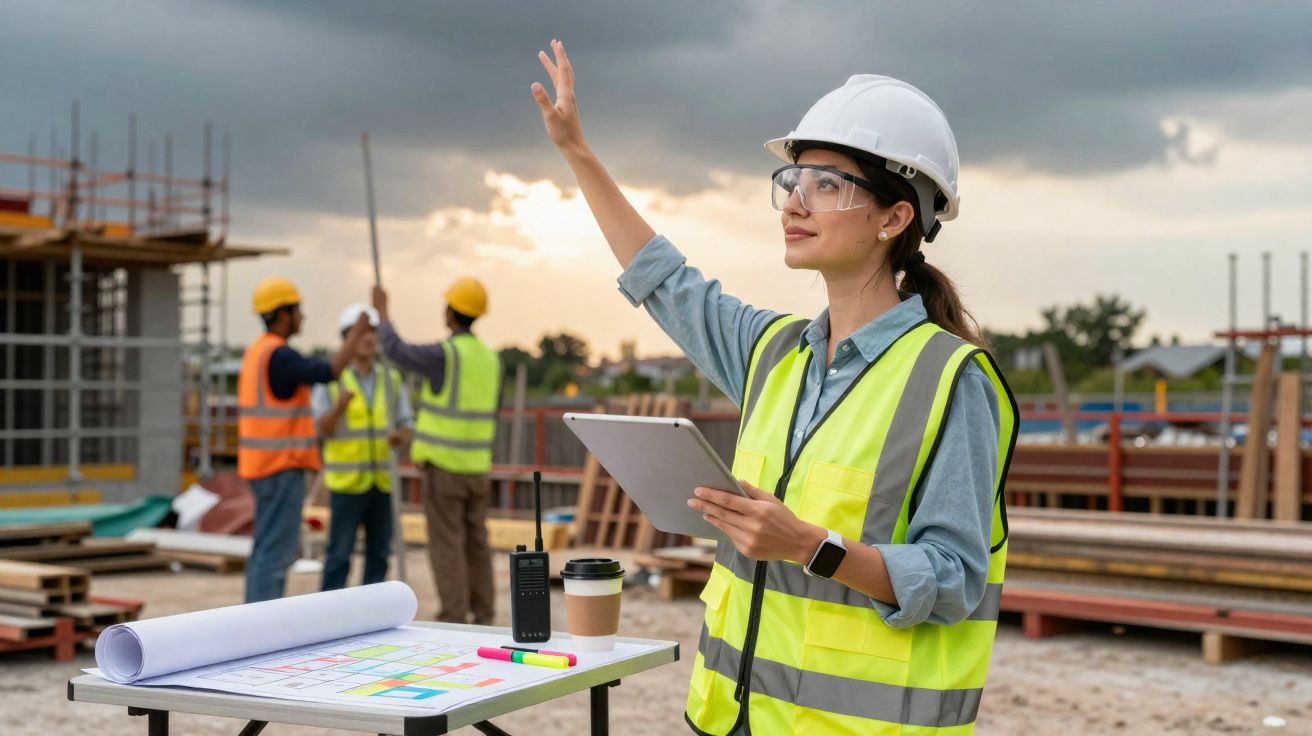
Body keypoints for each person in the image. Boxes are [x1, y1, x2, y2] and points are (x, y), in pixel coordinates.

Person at [531, 40, 1018, 735]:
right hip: (731, 718)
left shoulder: (952, 380)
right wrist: (577, 151)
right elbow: (666, 283)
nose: (795, 200)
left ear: (895, 216)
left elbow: (952, 580)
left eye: (827, 183)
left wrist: (809, 545)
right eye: (792, 182)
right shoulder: (773, 354)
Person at [372, 279, 503, 624]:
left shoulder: (447, 355)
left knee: (447, 547)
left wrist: (383, 311)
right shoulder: (490, 359)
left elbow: (396, 351)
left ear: (449, 312)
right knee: (477, 546)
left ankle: (455, 618)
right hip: (478, 468)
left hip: (444, 469)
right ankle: (485, 616)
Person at [238, 277, 368, 603]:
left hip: (264, 468)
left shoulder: (257, 352)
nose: (302, 317)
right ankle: (261, 628)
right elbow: (331, 371)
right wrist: (357, 332)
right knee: (275, 556)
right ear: (282, 314)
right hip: (280, 468)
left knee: (265, 551)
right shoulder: (279, 356)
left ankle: (255, 620)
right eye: (298, 310)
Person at [312, 303, 413, 591]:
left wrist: (400, 437)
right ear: (348, 338)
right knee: (339, 556)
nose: (370, 338)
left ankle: (372, 617)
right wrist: (339, 407)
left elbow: (407, 423)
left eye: (373, 332)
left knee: (379, 556)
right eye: (362, 333)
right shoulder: (329, 380)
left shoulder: (390, 379)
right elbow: (321, 429)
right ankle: (331, 617)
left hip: (381, 483)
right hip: (347, 484)